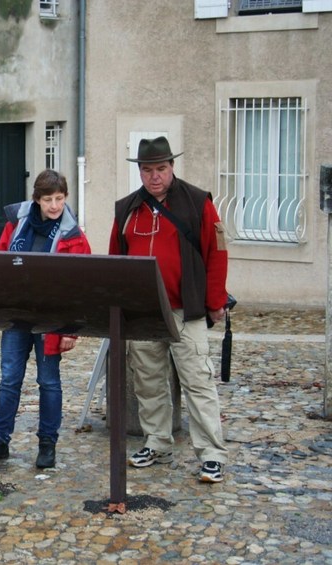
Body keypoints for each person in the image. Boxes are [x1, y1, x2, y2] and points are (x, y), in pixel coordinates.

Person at [109, 136, 229, 483]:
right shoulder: (127, 209)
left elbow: (217, 251)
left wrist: (216, 301)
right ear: (141, 172)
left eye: (161, 168)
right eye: (148, 170)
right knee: (148, 382)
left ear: (172, 167)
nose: (155, 176)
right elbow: (115, 258)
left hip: (185, 309)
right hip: (144, 312)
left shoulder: (197, 202)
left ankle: (211, 454)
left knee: (198, 381)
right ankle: (157, 442)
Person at [0, 169, 92, 469]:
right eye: (48, 200)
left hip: (53, 321)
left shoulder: (74, 237)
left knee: (49, 382)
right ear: (37, 200)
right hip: (17, 317)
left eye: (59, 199)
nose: (54, 206)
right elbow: (1, 261)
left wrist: (71, 329)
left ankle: (47, 443)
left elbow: (81, 287)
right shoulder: (17, 225)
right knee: (9, 380)